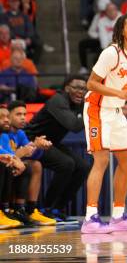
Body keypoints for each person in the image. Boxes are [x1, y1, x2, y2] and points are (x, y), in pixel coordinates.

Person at [81, 14, 127, 233]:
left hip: (116, 111)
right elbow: (91, 83)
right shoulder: (111, 53)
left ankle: (119, 216)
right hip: (96, 109)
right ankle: (90, 218)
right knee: (101, 160)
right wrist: (120, 92)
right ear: (121, 31)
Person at [24, 75, 91, 222]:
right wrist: (90, 111)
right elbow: (74, 126)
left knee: (83, 166)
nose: (81, 91)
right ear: (66, 88)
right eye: (77, 87)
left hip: (50, 142)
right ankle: (45, 209)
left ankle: (57, 208)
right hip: (32, 141)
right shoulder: (58, 100)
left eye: (84, 89)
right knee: (66, 164)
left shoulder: (78, 102)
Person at [0, 101, 55, 226]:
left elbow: (32, 155)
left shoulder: (19, 133)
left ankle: (25, 209)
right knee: (7, 166)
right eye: (18, 114)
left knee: (34, 165)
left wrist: (37, 146)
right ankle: (7, 209)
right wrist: (18, 156)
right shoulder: (4, 134)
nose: (23, 117)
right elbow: (10, 154)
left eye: (24, 114)